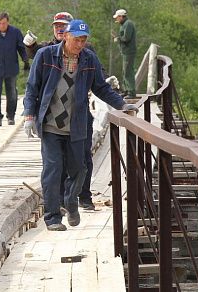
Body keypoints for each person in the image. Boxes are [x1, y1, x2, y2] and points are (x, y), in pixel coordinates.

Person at [23, 19, 137, 231]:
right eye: (77, 39)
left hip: (76, 125)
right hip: (50, 125)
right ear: (66, 35)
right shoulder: (46, 56)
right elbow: (32, 88)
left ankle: (71, 202)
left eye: (83, 40)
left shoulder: (88, 59)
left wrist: (122, 105)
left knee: (79, 170)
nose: (80, 44)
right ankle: (53, 218)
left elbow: (101, 88)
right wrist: (29, 116)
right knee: (53, 169)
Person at [113, 8, 137, 98]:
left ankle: (131, 92)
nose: (116, 19)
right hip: (126, 52)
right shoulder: (124, 24)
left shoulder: (128, 24)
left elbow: (127, 38)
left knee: (128, 72)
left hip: (129, 52)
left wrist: (118, 38)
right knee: (125, 71)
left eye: (117, 17)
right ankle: (126, 90)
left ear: (121, 16)